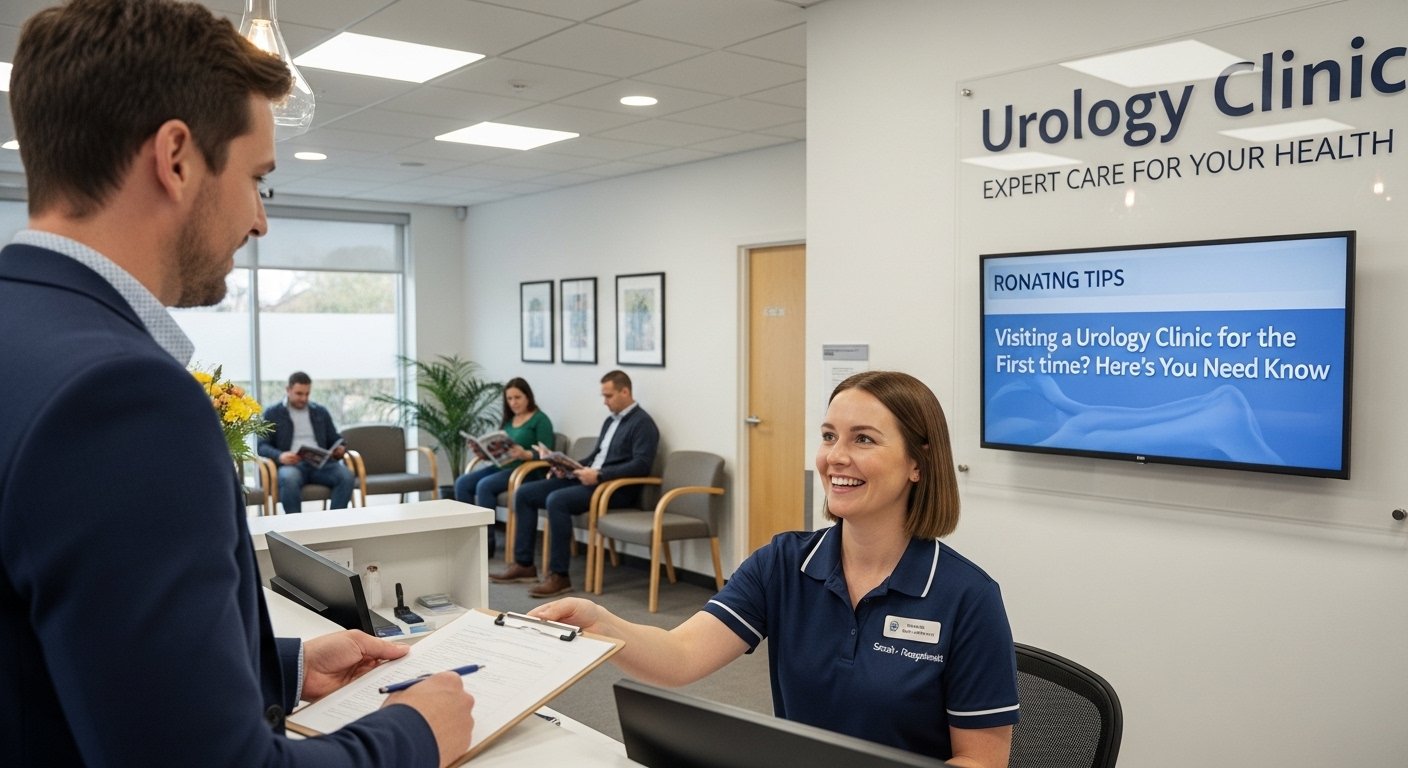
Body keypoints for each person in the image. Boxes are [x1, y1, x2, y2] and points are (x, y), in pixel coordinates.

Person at [0, 1, 472, 765]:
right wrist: (415, 733)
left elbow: (58, 649)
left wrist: (281, 667)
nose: (260, 222)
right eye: (257, 180)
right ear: (176, 158)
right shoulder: (121, 398)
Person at [532, 371, 1019, 766]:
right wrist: (601, 623)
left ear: (918, 463)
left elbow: (981, 760)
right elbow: (681, 656)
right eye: (828, 436)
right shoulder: (784, 563)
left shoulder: (966, 596)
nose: (835, 457)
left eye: (863, 439)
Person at [491, 370, 659, 598]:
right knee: (525, 493)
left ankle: (560, 576)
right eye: (603, 396)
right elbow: (596, 456)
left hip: (614, 490)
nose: (605, 401)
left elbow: (641, 465)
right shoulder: (611, 421)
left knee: (557, 500)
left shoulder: (643, 424)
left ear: (625, 392)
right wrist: (567, 465)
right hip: (591, 480)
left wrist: (600, 475)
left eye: (608, 396)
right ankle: (524, 564)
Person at [453, 377, 555, 557]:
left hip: (526, 471)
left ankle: (486, 544)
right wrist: (484, 453)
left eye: (518, 397)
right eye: (510, 399)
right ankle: (467, 538)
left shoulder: (540, 420)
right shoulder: (510, 420)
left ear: (528, 397)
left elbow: (548, 454)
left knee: (485, 486)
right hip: (502, 467)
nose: (513, 403)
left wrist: (526, 454)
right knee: (462, 483)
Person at [258, 371, 356, 513]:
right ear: (288, 390)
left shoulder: (320, 412)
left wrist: (340, 448)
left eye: (307, 394)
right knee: (289, 479)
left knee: (346, 476)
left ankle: (335, 522)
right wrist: (280, 456)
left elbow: (335, 438)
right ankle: (296, 524)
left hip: (321, 465)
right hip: (292, 465)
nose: (303, 398)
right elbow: (261, 446)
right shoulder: (272, 413)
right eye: (299, 394)